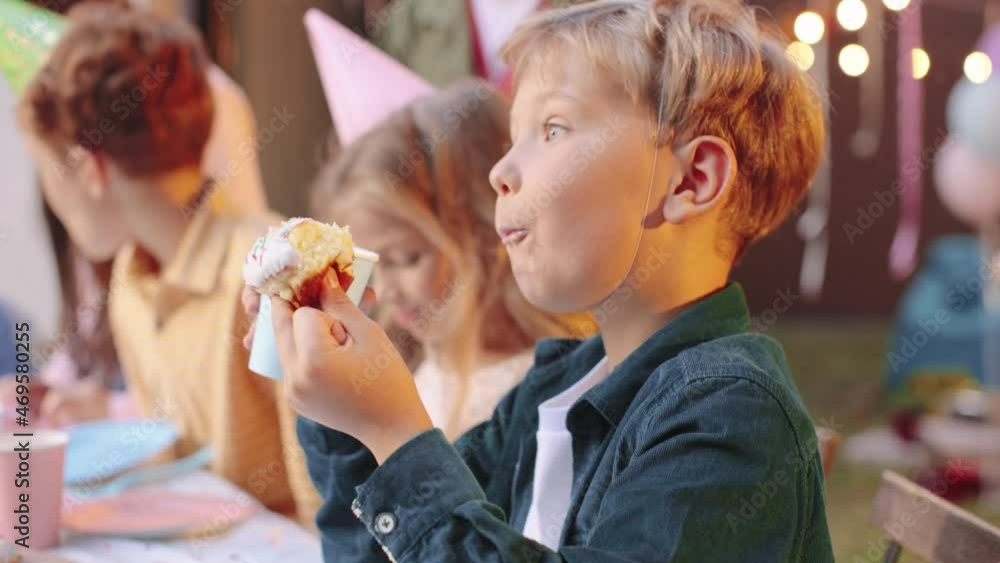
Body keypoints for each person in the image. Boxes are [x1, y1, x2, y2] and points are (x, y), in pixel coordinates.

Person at [249, 0, 835, 560]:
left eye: (553, 129)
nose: (500, 172)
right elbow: (397, 550)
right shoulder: (552, 390)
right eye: (511, 140)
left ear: (690, 181)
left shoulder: (729, 414)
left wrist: (393, 431)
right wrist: (338, 411)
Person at [18, 4, 319, 524]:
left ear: (90, 169)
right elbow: (174, 448)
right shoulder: (133, 282)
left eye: (47, 172)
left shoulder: (275, 279)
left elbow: (328, 513)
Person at [307, 80, 593, 440]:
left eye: (406, 258)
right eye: (371, 266)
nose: (385, 291)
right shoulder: (410, 364)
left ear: (486, 237)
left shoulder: (541, 397)